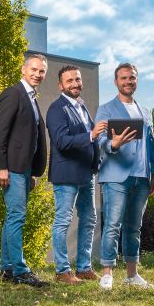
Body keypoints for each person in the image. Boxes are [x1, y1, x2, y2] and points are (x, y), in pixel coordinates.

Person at [95, 63, 154, 290]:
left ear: (136, 81)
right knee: (113, 225)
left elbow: (151, 145)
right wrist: (112, 143)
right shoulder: (106, 109)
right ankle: (107, 273)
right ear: (116, 82)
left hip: (142, 178)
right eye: (123, 78)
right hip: (116, 176)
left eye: (132, 78)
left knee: (134, 227)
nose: (128, 82)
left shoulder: (146, 112)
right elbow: (99, 141)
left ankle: (132, 275)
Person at [45, 66, 107, 284]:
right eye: (69, 80)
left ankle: (83, 268)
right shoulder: (56, 109)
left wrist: (96, 162)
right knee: (63, 221)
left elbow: (93, 140)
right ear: (60, 85)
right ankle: (63, 271)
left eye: (77, 79)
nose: (75, 84)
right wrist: (91, 134)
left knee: (89, 219)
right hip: (66, 175)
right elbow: (62, 142)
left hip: (86, 174)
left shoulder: (81, 107)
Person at [0, 53, 49, 287]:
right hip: (11, 168)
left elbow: (32, 137)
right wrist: (1, 166)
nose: (37, 74)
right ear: (23, 70)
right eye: (34, 70)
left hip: (24, 170)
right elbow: (0, 132)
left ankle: (7, 268)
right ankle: (20, 270)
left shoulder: (32, 98)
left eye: (42, 72)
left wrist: (34, 172)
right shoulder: (13, 93)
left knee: (12, 218)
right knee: (17, 216)